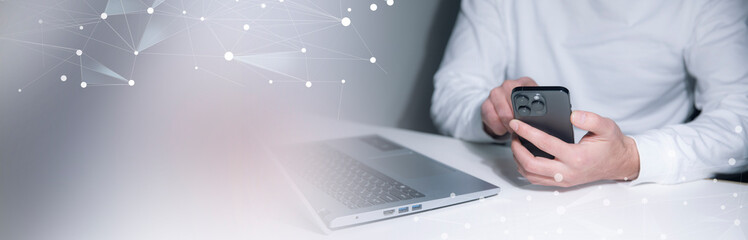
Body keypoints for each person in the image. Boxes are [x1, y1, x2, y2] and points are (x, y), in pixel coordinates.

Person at [431, 0, 748, 187]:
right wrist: (490, 116)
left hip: (646, 195)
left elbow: (741, 118)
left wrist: (630, 158)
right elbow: (451, 92)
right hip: (517, 184)